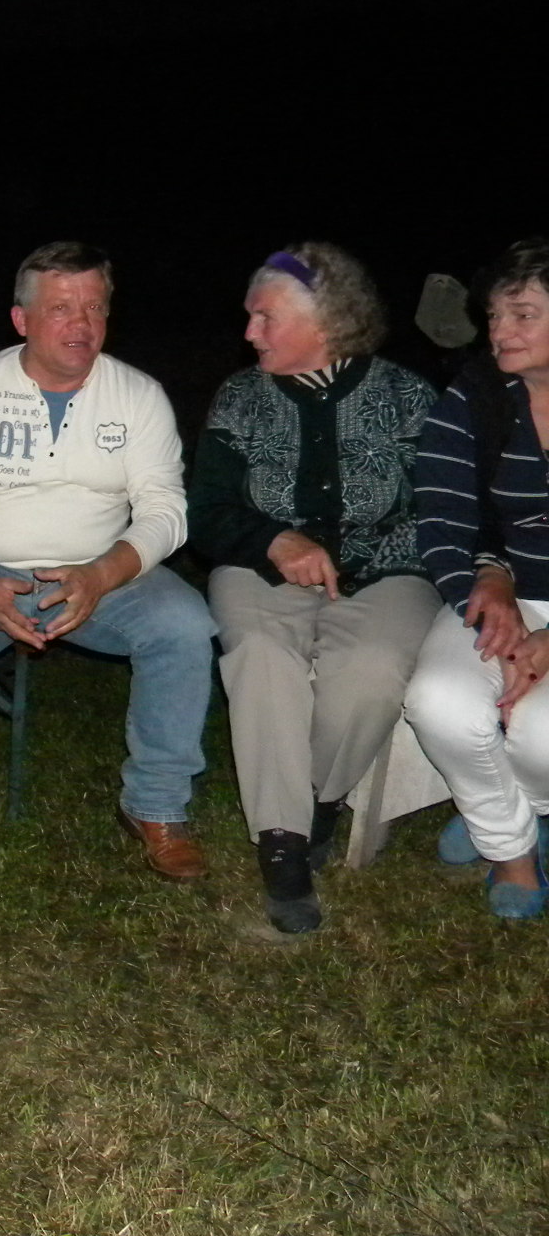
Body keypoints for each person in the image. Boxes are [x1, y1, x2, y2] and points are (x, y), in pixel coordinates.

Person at [0, 242, 215, 882]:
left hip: (98, 568)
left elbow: (166, 509)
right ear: (22, 320)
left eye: (94, 307)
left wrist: (102, 574)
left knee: (185, 626)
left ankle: (157, 806)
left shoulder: (138, 396)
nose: (82, 323)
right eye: (62, 308)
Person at [189, 244, 439, 933]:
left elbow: (443, 510)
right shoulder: (241, 398)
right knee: (261, 654)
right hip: (260, 569)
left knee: (374, 668)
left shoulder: (407, 397)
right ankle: (283, 842)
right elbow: (206, 512)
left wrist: (375, 562)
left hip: (388, 570)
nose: (249, 333)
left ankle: (319, 800)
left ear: (325, 323)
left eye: (265, 318)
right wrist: (274, 540)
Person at [404, 239, 549, 919]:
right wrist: (484, 584)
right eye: (494, 315)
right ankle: (511, 848)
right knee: (440, 698)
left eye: (523, 315)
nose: (499, 331)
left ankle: (518, 808)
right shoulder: (477, 395)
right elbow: (441, 516)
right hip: (507, 594)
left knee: (539, 733)